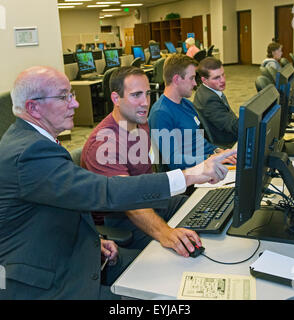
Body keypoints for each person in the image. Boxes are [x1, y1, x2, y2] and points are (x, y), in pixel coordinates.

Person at [0, 66, 235, 300]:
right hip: (48, 282)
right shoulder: (30, 153)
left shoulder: (35, 141)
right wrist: (191, 175)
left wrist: (95, 241)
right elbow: (108, 191)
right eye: (64, 97)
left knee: (174, 269)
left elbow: (59, 203)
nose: (75, 104)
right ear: (33, 108)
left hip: (79, 248)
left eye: (71, 95)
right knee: (166, 289)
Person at [82, 66, 198, 254]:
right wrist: (165, 233)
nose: (145, 102)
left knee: (199, 210)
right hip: (120, 218)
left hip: (148, 200)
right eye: (136, 95)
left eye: (148, 94)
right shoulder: (104, 144)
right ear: (115, 99)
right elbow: (128, 200)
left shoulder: (140, 123)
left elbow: (145, 177)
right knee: (177, 250)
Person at [148, 54, 236, 172]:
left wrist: (218, 151)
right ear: (176, 79)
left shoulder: (186, 104)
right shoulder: (161, 113)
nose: (195, 84)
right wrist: (210, 158)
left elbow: (198, 141)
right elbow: (174, 161)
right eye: (191, 78)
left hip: (205, 164)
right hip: (189, 175)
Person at [193, 57, 239, 147]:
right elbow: (233, 126)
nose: (222, 80)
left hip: (225, 131)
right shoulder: (209, 100)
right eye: (216, 78)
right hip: (226, 142)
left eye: (223, 74)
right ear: (204, 80)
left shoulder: (207, 90)